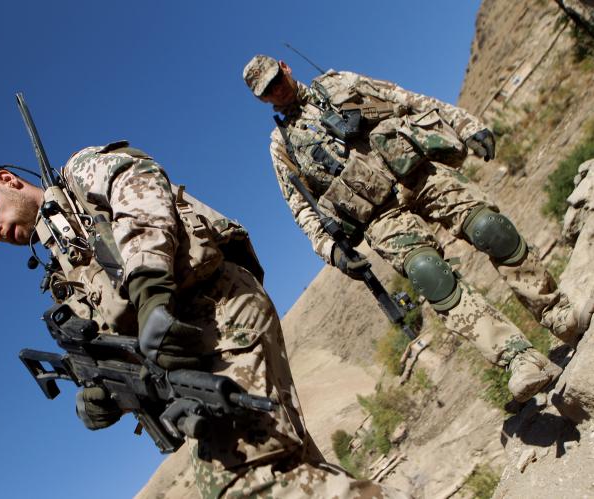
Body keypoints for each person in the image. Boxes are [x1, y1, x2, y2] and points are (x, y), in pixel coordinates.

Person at [0, 142, 407, 498]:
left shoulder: (79, 175)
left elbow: (139, 187)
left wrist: (150, 292)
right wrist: (102, 392)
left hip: (221, 313)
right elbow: (119, 344)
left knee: (243, 481)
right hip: (191, 364)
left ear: (7, 180)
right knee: (291, 468)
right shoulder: (62, 274)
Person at [242, 54, 594, 402]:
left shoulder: (339, 82)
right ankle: (518, 358)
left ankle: (557, 313)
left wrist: (465, 124)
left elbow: (403, 97)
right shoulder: (281, 147)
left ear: (285, 68)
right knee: (430, 275)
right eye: (267, 90)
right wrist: (332, 251)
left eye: (276, 79)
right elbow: (302, 209)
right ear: (262, 99)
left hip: (419, 173)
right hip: (380, 217)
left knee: (491, 228)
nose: (277, 90)